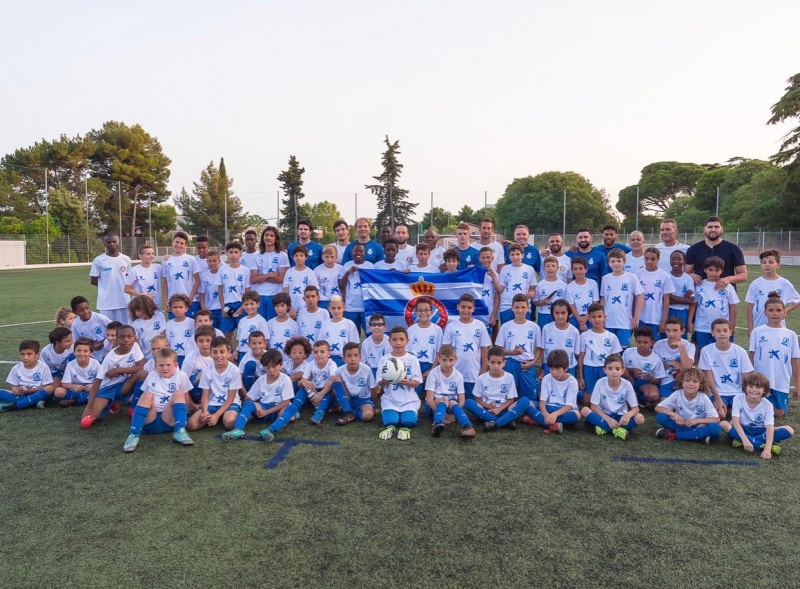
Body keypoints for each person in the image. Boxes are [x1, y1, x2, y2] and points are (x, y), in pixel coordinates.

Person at [123, 347, 194, 452]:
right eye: (161, 365)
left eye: (168, 365)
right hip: (151, 420)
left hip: (169, 420)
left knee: (179, 393)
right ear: (155, 366)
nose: (165, 368)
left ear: (176, 365)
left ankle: (179, 431)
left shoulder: (181, 376)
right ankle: (134, 435)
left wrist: (192, 410)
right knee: (147, 395)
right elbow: (144, 399)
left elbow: (186, 398)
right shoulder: (151, 375)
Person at [222, 349, 299, 443]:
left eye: (274, 367)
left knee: (292, 408)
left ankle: (269, 430)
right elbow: (249, 397)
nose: (271, 370)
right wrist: (247, 411)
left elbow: (286, 402)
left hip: (279, 408)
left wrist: (267, 411)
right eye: (267, 367)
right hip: (264, 406)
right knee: (248, 404)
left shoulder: (285, 379)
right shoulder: (261, 380)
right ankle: (238, 430)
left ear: (281, 365)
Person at [81, 325, 145, 429]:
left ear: (135, 337)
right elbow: (97, 382)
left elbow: (142, 366)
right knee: (91, 419)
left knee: (143, 374)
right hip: (107, 389)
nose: (126, 340)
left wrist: (118, 370)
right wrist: (88, 407)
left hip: (124, 385)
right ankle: (111, 402)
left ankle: (133, 408)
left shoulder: (135, 347)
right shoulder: (110, 358)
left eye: (129, 337)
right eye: (122, 337)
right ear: (117, 339)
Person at [748, 293, 800, 417]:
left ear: (784, 313)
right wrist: (748, 378)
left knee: (779, 413)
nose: (775, 313)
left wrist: (798, 384)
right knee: (756, 407)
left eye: (778, 310)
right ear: (765, 312)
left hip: (780, 379)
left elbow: (794, 361)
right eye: (771, 310)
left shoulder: (790, 334)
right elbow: (751, 357)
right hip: (760, 379)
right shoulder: (757, 332)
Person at [721, 372, 794, 458]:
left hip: (761, 431)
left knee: (789, 430)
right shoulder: (738, 398)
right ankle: (759, 444)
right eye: (751, 386)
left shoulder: (768, 405)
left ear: (764, 390)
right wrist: (745, 440)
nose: (754, 390)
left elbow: (769, 428)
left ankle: (743, 441)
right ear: (745, 387)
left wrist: (767, 449)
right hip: (744, 429)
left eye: (758, 387)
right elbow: (736, 422)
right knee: (723, 424)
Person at [699, 319, 754, 418]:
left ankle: (731, 408)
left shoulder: (740, 352)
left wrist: (746, 396)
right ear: (712, 333)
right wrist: (717, 398)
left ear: (730, 332)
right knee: (720, 416)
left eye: (725, 330)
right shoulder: (706, 351)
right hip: (718, 393)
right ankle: (725, 408)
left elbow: (746, 377)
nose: (722, 334)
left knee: (745, 416)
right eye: (718, 331)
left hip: (737, 393)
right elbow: (708, 377)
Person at [581, 354, 644, 440]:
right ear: (605, 370)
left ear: (622, 371)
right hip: (604, 415)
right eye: (610, 368)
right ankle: (617, 431)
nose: (613, 372)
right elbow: (594, 407)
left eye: (617, 369)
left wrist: (628, 415)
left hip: (620, 417)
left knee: (640, 418)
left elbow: (636, 408)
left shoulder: (627, 385)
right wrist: (608, 419)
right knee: (584, 410)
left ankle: (603, 428)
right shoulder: (600, 383)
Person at [187, 336, 242, 431]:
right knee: (192, 425)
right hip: (212, 403)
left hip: (230, 403)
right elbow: (205, 395)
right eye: (215, 352)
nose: (218, 355)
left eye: (222, 352)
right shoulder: (206, 370)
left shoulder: (234, 370)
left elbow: (231, 398)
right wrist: (204, 411)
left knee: (229, 422)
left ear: (228, 352)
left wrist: (217, 414)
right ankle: (216, 416)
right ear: (210, 354)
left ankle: (224, 415)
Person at [377, 326, 423, 441]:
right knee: (391, 422)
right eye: (394, 339)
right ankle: (391, 425)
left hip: (409, 400)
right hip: (390, 400)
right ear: (389, 341)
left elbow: (416, 382)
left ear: (407, 341)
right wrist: (384, 381)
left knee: (408, 422)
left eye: (401, 339)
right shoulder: (384, 359)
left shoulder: (412, 360)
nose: (398, 343)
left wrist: (408, 382)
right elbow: (379, 383)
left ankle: (407, 423)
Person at [654, 367, 721, 444]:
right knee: (660, 416)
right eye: (687, 381)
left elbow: (716, 419)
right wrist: (674, 414)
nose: (690, 384)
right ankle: (697, 436)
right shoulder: (678, 393)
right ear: (682, 383)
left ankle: (675, 435)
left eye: (695, 381)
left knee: (716, 428)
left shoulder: (703, 397)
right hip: (681, 424)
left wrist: (696, 421)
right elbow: (658, 408)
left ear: (700, 385)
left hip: (698, 426)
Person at [443, 294, 491, 400]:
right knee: (454, 401)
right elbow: (446, 350)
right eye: (463, 307)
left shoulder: (480, 326)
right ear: (458, 307)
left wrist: (483, 369)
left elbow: (484, 348)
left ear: (473, 309)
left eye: (469, 307)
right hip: (455, 371)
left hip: (473, 373)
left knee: (472, 402)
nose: (466, 310)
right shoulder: (451, 326)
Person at [425, 344, 477, 438]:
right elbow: (429, 400)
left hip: (450, 407)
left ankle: (467, 427)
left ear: (456, 359)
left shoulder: (458, 375)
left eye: (451, 360)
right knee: (444, 400)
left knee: (453, 401)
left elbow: (461, 401)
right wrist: (446, 416)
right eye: (444, 360)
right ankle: (437, 424)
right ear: (439, 358)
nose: (448, 364)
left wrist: (453, 414)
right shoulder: (433, 374)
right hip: (434, 407)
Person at [522, 350, 581, 433]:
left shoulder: (572, 382)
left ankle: (536, 420)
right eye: (551, 368)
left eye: (557, 369)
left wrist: (555, 414)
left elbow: (568, 406)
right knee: (526, 404)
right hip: (547, 408)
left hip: (563, 411)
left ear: (566, 368)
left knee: (576, 415)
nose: (554, 372)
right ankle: (554, 425)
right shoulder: (547, 378)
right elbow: (542, 402)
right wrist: (545, 414)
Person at [689, 256, 739, 351]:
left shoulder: (727, 286)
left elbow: (733, 306)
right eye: (710, 270)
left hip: (722, 328)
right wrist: (690, 322)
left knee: (722, 351)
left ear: (721, 271)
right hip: (702, 327)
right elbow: (693, 304)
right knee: (703, 352)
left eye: (717, 270)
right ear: (705, 270)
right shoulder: (699, 285)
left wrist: (732, 325)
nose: (713, 273)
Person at [497, 294, 542, 399]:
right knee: (508, 394)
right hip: (510, 363)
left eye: (523, 307)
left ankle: (528, 407)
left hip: (527, 364)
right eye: (517, 307)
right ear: (512, 308)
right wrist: (513, 353)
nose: (520, 310)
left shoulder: (534, 327)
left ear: (528, 308)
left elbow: (539, 349)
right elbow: (498, 350)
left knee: (529, 397)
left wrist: (533, 362)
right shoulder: (505, 326)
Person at [684, 216, 747, 289]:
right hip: (701, 295)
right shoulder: (694, 249)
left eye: (716, 227)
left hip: (725, 295)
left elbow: (743, 275)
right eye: (710, 227)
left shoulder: (733, 249)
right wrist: (691, 275)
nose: (713, 229)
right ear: (704, 229)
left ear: (722, 229)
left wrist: (728, 279)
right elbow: (686, 273)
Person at [746, 249, 800, 333]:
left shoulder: (784, 283)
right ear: (761, 265)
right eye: (764, 263)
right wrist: (750, 326)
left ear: (778, 265)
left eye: (770, 262)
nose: (767, 265)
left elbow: (797, 300)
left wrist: (785, 311)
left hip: (778, 327)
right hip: (758, 325)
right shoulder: (755, 284)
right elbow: (750, 306)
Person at [577, 303, 622, 400]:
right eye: (593, 317)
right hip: (589, 368)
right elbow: (581, 357)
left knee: (606, 397)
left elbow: (616, 358)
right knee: (588, 401)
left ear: (605, 317)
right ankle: (579, 395)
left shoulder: (612, 337)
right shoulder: (584, 336)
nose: (597, 319)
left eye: (599, 316)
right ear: (589, 318)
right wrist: (581, 377)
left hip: (606, 369)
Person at [600, 249, 643, 349]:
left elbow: (640, 296)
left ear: (624, 262)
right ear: (609, 263)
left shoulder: (631, 277)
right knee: (608, 349)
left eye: (619, 261)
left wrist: (636, 316)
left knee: (623, 349)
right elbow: (603, 299)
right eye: (613, 261)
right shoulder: (606, 278)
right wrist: (601, 317)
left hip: (624, 321)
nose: (616, 264)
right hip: (608, 320)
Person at [0, 340, 56, 412]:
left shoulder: (43, 367)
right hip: (22, 395)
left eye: (29, 354)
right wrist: (16, 390)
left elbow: (45, 386)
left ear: (37, 355)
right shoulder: (16, 368)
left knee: (50, 388)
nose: (25, 357)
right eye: (22, 354)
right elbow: (14, 386)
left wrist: (31, 390)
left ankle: (14, 406)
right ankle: (33, 403)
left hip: (37, 393)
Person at [330, 342, 377, 424]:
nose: (353, 359)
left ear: (360, 357)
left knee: (368, 416)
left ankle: (348, 412)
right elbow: (335, 389)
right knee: (336, 378)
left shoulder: (366, 369)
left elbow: (373, 388)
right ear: (344, 358)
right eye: (349, 356)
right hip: (348, 398)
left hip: (363, 400)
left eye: (356, 355)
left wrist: (374, 404)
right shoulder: (339, 370)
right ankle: (348, 411)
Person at [90, 233, 132, 324]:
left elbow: (128, 278)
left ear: (118, 243)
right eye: (109, 242)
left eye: (114, 241)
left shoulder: (126, 259)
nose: (112, 244)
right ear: (105, 244)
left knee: (124, 328)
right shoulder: (99, 260)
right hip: (106, 303)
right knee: (108, 329)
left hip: (124, 301)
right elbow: (93, 280)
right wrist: (106, 286)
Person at [294, 340, 338, 425]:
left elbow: (333, 380)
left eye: (322, 352)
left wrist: (321, 394)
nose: (319, 354)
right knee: (304, 388)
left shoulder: (331, 364)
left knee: (329, 386)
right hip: (313, 391)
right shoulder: (310, 364)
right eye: (316, 352)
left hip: (324, 392)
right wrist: (304, 382)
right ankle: (294, 409)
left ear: (329, 353)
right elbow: (301, 382)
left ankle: (320, 412)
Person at [251, 226, 290, 322]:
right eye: (266, 235)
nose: (268, 238)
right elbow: (253, 280)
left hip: (275, 296)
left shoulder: (282, 256)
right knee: (261, 326)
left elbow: (280, 279)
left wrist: (261, 277)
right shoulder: (257, 257)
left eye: (272, 235)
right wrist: (268, 275)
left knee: (274, 324)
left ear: (276, 238)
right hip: (260, 296)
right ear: (262, 238)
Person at [635, 248, 675, 339]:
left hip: (656, 317)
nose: (649, 261)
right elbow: (634, 297)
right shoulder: (637, 274)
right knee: (641, 343)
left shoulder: (665, 276)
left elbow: (666, 299)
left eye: (652, 259)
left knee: (654, 344)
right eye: (646, 258)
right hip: (640, 317)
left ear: (658, 259)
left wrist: (664, 320)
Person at [652, 317, 695, 399]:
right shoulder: (659, 345)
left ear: (682, 331)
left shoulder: (689, 346)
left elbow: (687, 367)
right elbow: (656, 368)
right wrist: (671, 362)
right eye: (668, 330)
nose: (671, 334)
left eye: (675, 330)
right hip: (666, 381)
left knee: (685, 406)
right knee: (665, 406)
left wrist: (681, 346)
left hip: (685, 382)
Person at [623, 326, 667, 406]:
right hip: (629, 379)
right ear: (635, 341)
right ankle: (628, 395)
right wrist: (632, 370)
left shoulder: (656, 359)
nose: (642, 345)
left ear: (652, 343)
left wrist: (651, 379)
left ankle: (639, 397)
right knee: (623, 371)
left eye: (645, 342)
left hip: (644, 383)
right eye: (639, 342)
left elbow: (659, 380)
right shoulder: (628, 352)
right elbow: (620, 368)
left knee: (653, 396)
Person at [160, 231, 201, 317]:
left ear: (185, 246)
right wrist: (166, 301)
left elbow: (197, 281)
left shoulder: (191, 259)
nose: (179, 245)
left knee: (192, 328)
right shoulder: (166, 261)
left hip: (190, 301)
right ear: (172, 243)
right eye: (177, 242)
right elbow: (165, 283)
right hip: (173, 301)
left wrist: (190, 298)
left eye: (182, 243)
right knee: (175, 327)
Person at [54, 337, 100, 408]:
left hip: (91, 390)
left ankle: (76, 401)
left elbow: (101, 380)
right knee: (58, 391)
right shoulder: (70, 365)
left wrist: (93, 385)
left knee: (102, 390)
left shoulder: (95, 363)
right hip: (76, 391)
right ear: (74, 352)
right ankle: (86, 399)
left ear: (91, 353)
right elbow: (64, 384)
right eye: (79, 351)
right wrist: (74, 386)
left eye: (85, 351)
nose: (82, 353)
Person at [340, 243, 374, 335]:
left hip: (366, 306)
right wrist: (348, 273)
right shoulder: (347, 265)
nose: (358, 253)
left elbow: (375, 284)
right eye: (356, 251)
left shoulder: (370, 266)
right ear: (352, 252)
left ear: (365, 253)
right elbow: (341, 286)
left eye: (361, 251)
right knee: (352, 333)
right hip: (351, 307)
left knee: (369, 332)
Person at [498, 243, 536, 325]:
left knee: (523, 331)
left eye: (518, 254)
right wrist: (494, 276)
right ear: (509, 256)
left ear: (522, 255)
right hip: (507, 306)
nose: (515, 257)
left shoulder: (529, 269)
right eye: (512, 254)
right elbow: (501, 288)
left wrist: (531, 294)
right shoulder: (504, 269)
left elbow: (532, 289)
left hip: (524, 306)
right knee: (507, 332)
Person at [541, 299, 580, 379]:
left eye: (563, 313)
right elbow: (543, 349)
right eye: (557, 313)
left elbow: (577, 353)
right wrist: (544, 366)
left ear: (569, 313)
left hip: (568, 368)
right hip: (551, 367)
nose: (560, 316)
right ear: (552, 313)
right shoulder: (546, 328)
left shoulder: (574, 331)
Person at [317, 295, 360, 366]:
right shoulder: (325, 324)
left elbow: (354, 344)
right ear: (329, 309)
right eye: (333, 308)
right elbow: (321, 344)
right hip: (328, 360)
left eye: (339, 308)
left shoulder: (349, 324)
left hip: (344, 359)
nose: (336, 311)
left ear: (344, 308)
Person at [220, 241, 251, 340]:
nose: (233, 255)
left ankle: (241, 352)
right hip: (228, 305)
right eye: (231, 252)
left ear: (240, 254)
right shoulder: (222, 270)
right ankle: (228, 354)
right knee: (227, 333)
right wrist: (223, 307)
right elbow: (220, 289)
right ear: (226, 253)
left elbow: (247, 290)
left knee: (243, 332)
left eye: (236, 252)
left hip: (240, 304)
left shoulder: (245, 270)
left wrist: (243, 307)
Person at [70, 295, 111, 361]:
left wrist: (104, 342)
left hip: (106, 351)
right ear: (74, 312)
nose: (86, 311)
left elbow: (115, 329)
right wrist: (89, 346)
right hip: (89, 354)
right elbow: (77, 342)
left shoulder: (100, 318)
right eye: (81, 310)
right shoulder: (75, 324)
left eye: (87, 308)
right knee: (71, 357)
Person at [282, 245, 319, 316]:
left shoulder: (310, 273)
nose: (299, 258)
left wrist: (307, 308)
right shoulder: (289, 272)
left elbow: (313, 291)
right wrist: (289, 308)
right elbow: (285, 292)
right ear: (293, 258)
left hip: (306, 308)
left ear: (306, 257)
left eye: (301, 255)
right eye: (296, 255)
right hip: (291, 309)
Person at [532, 257, 567, 329]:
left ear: (557, 268)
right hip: (544, 315)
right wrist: (542, 302)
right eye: (548, 266)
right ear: (544, 268)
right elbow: (535, 302)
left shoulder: (563, 285)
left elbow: (567, 303)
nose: (550, 268)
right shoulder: (540, 285)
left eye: (553, 266)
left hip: (558, 315)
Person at [124, 244, 162, 311]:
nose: (151, 256)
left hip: (155, 304)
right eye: (148, 254)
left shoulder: (158, 267)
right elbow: (127, 289)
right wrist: (143, 295)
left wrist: (166, 257)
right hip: (141, 306)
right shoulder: (134, 270)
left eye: (152, 254)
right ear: (140, 256)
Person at [565, 257, 599, 332]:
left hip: (590, 316)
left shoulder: (593, 283)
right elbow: (571, 305)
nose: (578, 271)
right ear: (572, 270)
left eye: (580, 268)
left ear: (586, 269)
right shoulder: (570, 286)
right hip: (575, 317)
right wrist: (580, 320)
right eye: (575, 269)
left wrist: (586, 317)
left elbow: (595, 302)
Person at [667, 250, 695, 337]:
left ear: (684, 262)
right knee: (666, 336)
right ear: (670, 261)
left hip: (682, 312)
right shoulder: (665, 277)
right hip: (667, 311)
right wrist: (684, 299)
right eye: (673, 259)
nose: (676, 261)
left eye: (679, 259)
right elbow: (663, 300)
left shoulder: (688, 278)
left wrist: (671, 296)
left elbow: (691, 301)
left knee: (681, 337)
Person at [129, 295, 166, 361]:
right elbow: (137, 341)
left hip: (160, 353)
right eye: (135, 311)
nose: (137, 313)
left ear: (147, 308)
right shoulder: (136, 323)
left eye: (139, 310)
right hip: (146, 355)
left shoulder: (159, 316)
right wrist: (141, 357)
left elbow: (163, 333)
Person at [235, 291, 269, 362]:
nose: (249, 307)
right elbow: (239, 339)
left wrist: (262, 355)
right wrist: (237, 350)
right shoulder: (241, 321)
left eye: (252, 304)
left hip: (254, 353)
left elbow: (265, 341)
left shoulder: (261, 321)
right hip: (242, 353)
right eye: (246, 304)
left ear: (258, 304)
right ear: (243, 305)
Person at [266, 292, 300, 363]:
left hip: (288, 361)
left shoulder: (294, 324)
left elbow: (296, 343)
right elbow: (267, 343)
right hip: (273, 360)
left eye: (282, 306)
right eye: (277, 306)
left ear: (288, 306)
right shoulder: (269, 323)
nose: (279, 309)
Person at [197, 249, 225, 329]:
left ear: (219, 261)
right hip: (210, 310)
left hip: (222, 308)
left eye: (214, 261)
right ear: (207, 262)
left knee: (223, 332)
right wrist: (203, 307)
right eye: (210, 261)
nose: (212, 263)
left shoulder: (224, 274)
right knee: (211, 332)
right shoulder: (204, 276)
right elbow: (202, 293)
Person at [166, 294, 194, 367]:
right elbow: (168, 341)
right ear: (171, 309)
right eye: (175, 307)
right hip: (173, 356)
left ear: (186, 308)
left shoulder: (192, 322)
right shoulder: (169, 324)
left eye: (180, 307)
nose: (178, 309)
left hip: (188, 356)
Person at [361, 313, 392, 378]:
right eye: (373, 325)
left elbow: (390, 362)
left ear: (384, 327)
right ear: (369, 327)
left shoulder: (389, 341)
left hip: (386, 370)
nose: (376, 327)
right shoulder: (365, 343)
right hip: (371, 371)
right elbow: (363, 363)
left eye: (379, 325)